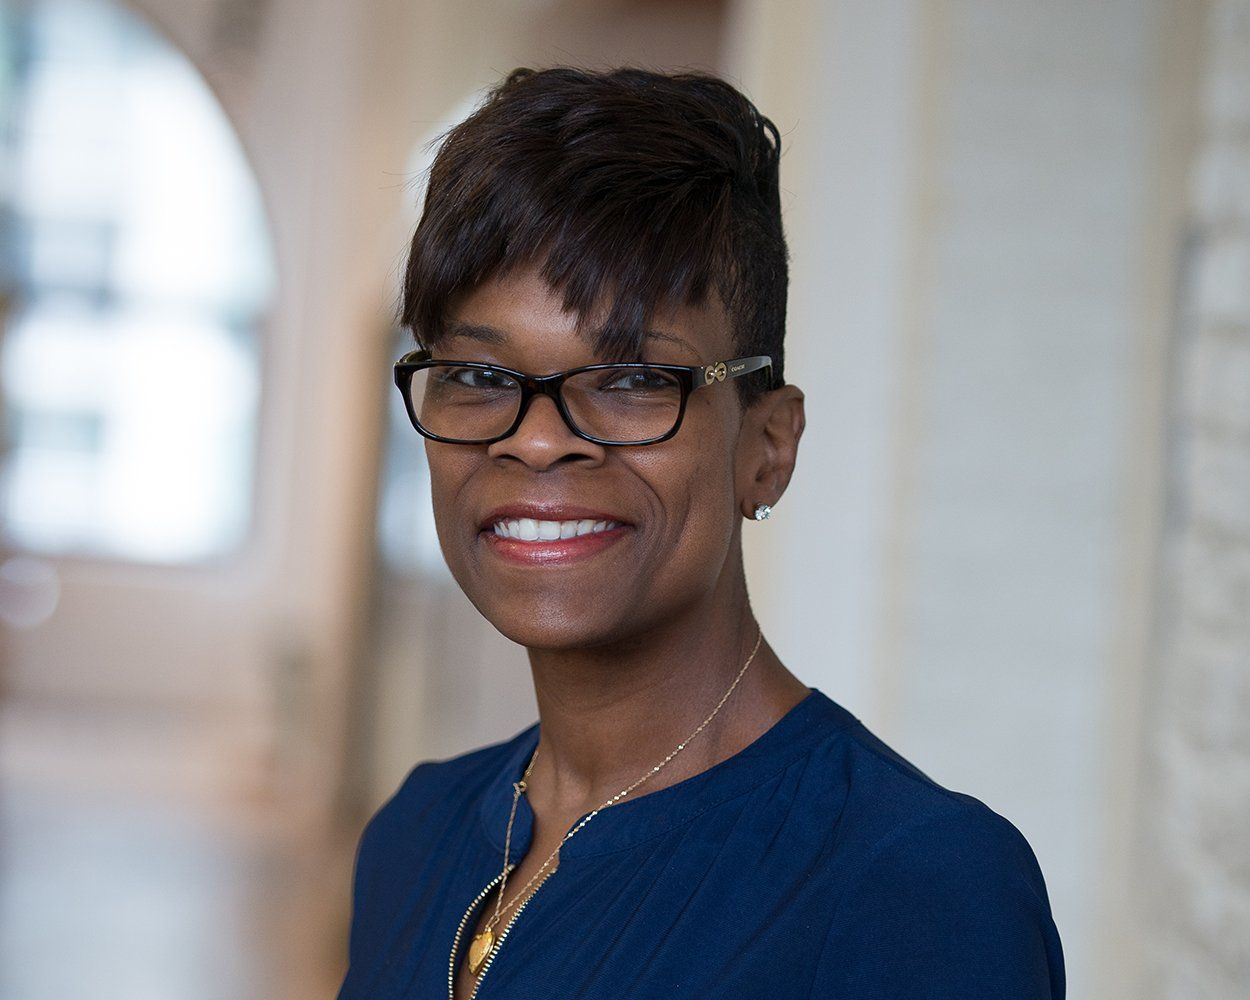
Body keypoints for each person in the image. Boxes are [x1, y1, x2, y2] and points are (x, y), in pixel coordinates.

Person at [336, 66, 1065, 1000]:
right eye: (479, 378)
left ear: (768, 445)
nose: (539, 438)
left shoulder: (912, 884)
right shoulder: (416, 832)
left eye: (636, 378)